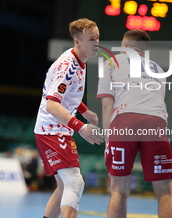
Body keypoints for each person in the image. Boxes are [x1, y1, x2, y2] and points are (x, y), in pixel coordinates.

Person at [97, 29, 172, 218]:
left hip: (125, 120)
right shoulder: (159, 69)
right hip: (156, 122)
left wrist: (108, 140)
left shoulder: (112, 61)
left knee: (118, 188)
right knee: (166, 191)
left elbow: (107, 105)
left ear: (124, 46)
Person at [34, 18, 104, 218]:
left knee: (64, 186)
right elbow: (52, 103)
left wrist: (83, 109)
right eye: (91, 39)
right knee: (75, 182)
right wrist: (81, 127)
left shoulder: (80, 59)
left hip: (59, 128)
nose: (96, 43)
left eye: (98, 38)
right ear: (77, 41)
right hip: (51, 130)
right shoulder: (68, 66)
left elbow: (66, 94)